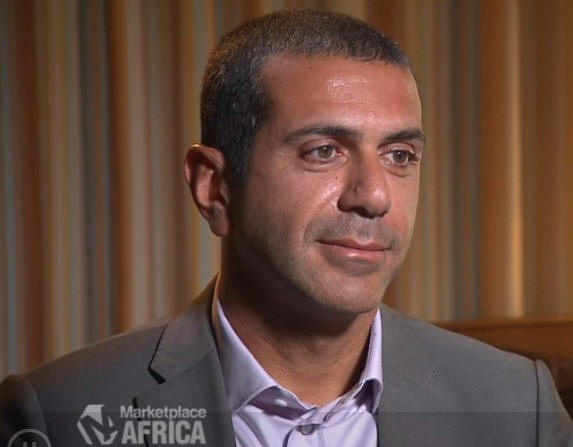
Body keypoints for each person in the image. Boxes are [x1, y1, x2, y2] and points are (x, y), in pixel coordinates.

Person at [1, 9, 572, 447]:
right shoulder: (56, 416)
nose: (374, 196)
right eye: (324, 150)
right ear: (213, 187)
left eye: (399, 155)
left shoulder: (519, 405)